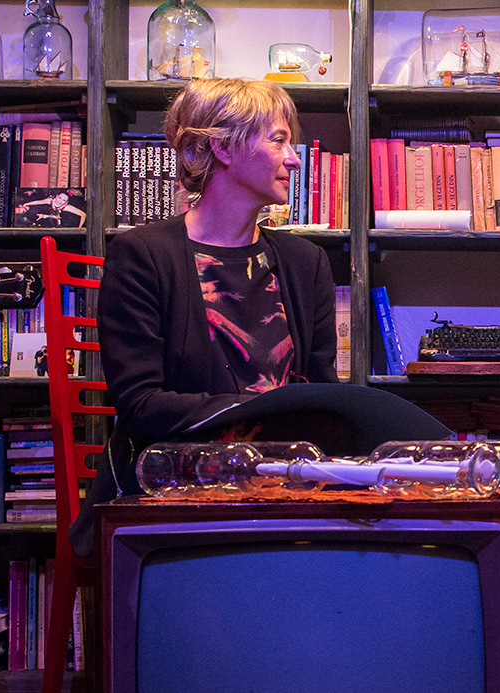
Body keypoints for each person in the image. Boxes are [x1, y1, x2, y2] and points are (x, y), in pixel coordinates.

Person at [73, 78, 338, 554]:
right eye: (278, 140)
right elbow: (141, 406)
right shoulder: (143, 255)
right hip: (170, 493)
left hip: (284, 492)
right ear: (222, 148)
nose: (294, 159)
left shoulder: (306, 263)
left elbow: (322, 398)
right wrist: (262, 412)